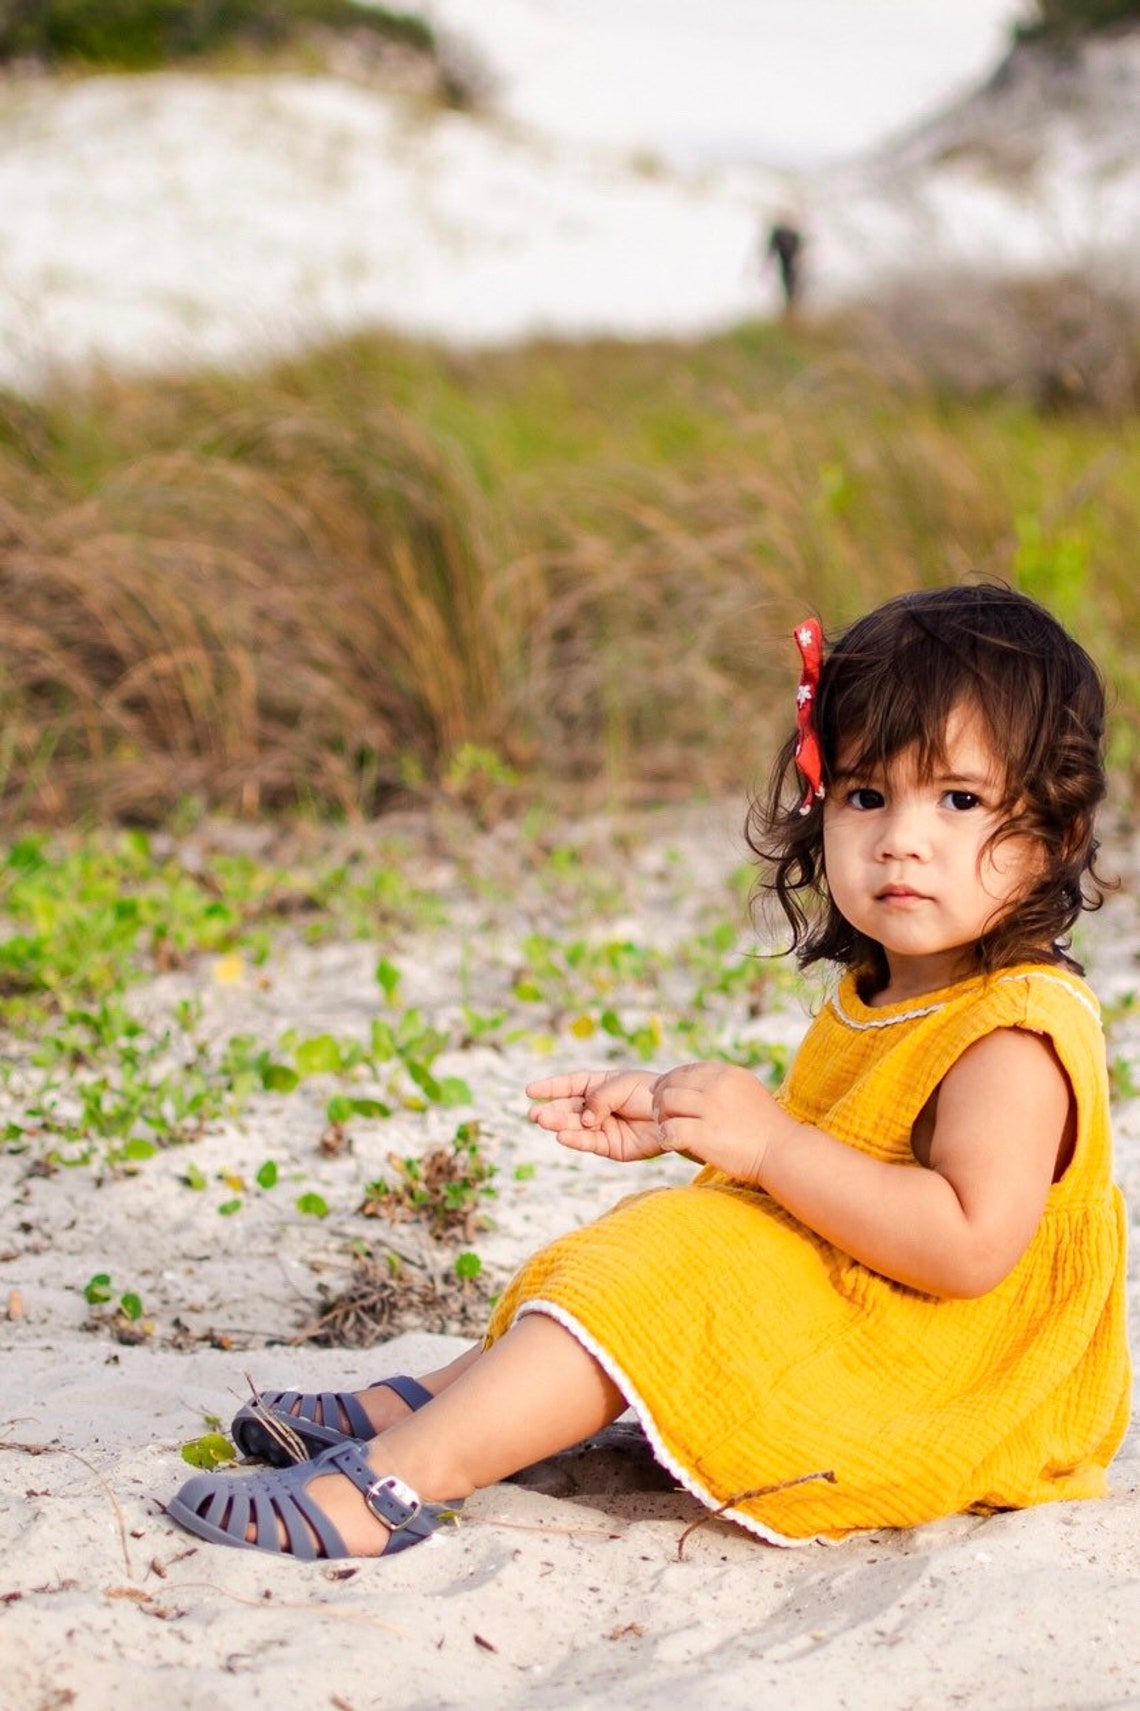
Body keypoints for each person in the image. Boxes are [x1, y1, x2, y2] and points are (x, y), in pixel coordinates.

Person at [166, 584, 1131, 1559]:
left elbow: (966, 1245)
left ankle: (401, 1481)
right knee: (650, 1241)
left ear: (1051, 833)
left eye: (959, 799)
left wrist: (770, 1143)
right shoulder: (886, 987)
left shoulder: (1012, 1035)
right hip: (874, 1314)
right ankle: (421, 1405)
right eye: (866, 794)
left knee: (676, 1270)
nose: (901, 837)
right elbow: (827, 1173)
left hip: (950, 1382)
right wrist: (686, 1118)